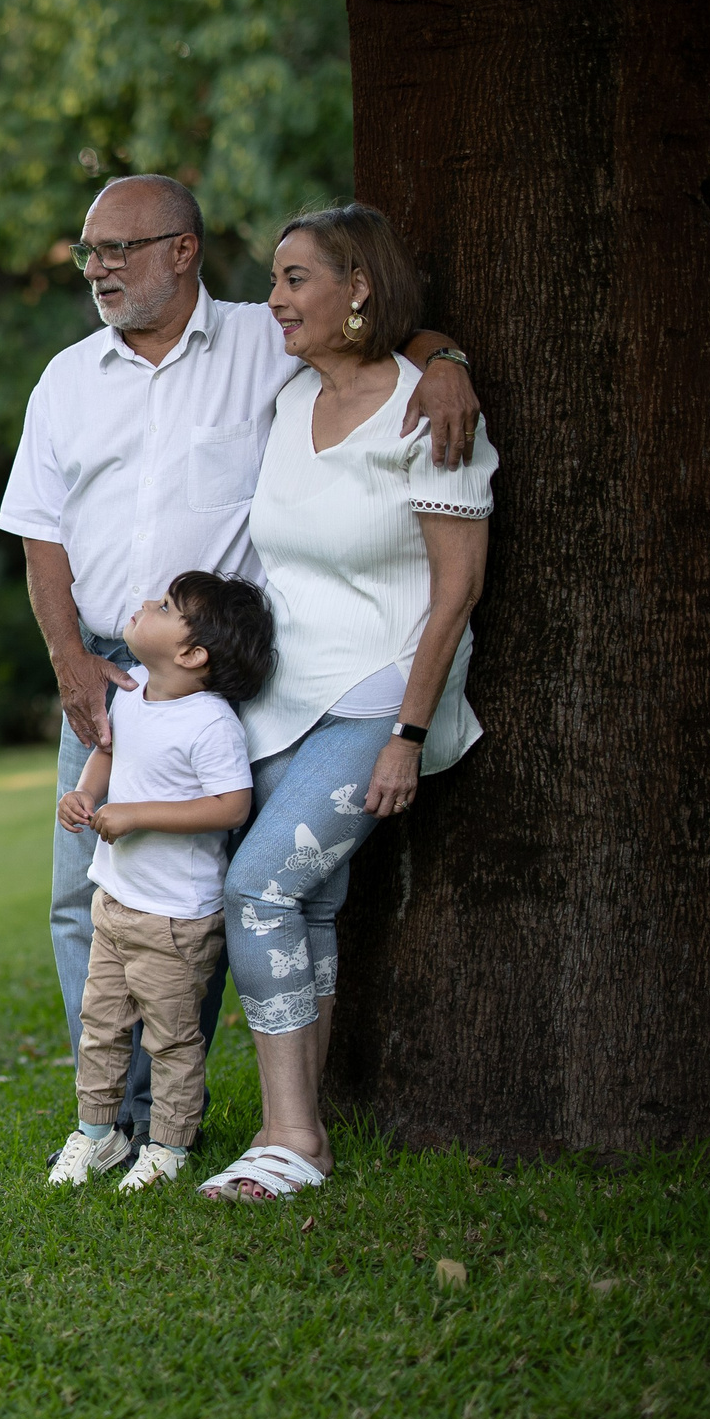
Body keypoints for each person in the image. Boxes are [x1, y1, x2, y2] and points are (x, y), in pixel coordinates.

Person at [0, 175, 481, 1153]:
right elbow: (38, 537)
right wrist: (69, 668)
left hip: (219, 683)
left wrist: (448, 360)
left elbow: (376, 337)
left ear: (181, 251)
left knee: (192, 894)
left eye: (117, 249)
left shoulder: (269, 345)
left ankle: (177, 1111)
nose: (97, 269)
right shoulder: (64, 380)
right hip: (97, 672)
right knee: (80, 894)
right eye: (89, 252)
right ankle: (113, 1117)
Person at [197, 203, 497, 1201]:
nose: (273, 299)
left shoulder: (428, 404)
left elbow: (455, 588)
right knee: (310, 900)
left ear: (356, 288)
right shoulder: (289, 403)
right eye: (275, 280)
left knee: (258, 888)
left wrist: (408, 734)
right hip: (285, 692)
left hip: (380, 690)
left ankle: (291, 1138)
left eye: (293, 280)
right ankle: (306, 1124)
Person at [48, 571, 274, 1192]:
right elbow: (110, 753)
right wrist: (84, 794)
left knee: (171, 1040)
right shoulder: (135, 687)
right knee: (102, 1027)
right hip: (115, 902)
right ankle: (99, 1135)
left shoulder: (210, 724)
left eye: (167, 606)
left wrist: (137, 816)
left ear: (192, 654)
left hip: (175, 918)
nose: (148, 603)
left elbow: (231, 806)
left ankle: (169, 1145)